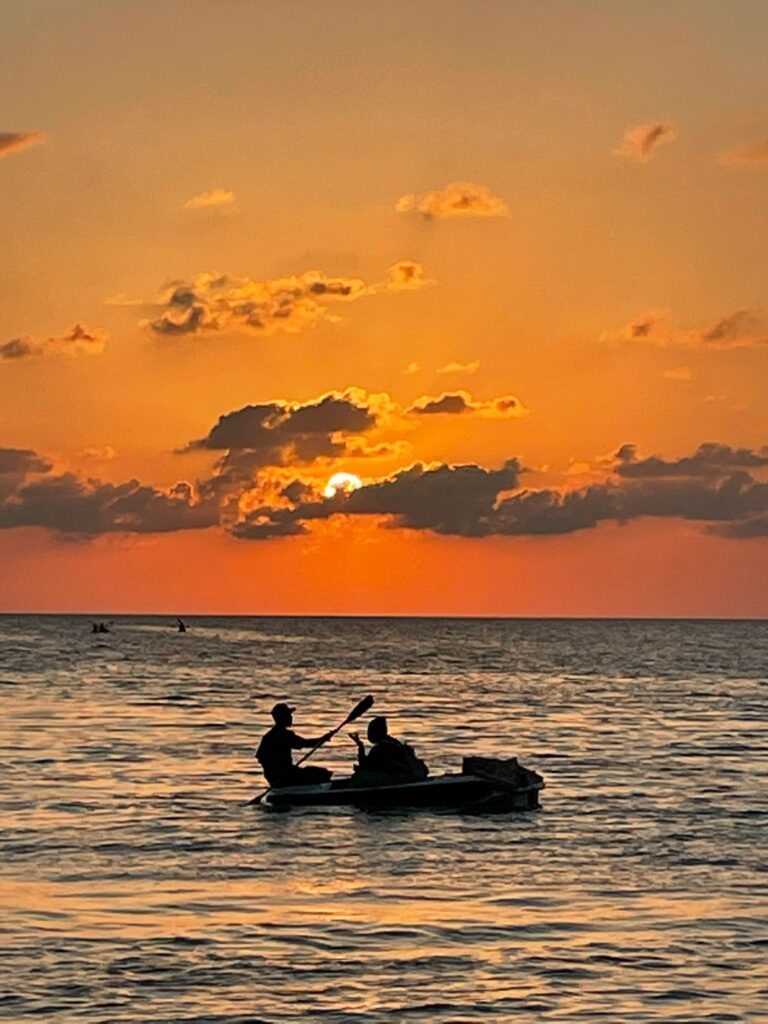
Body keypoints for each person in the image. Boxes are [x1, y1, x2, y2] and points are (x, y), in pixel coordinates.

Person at [256, 703, 334, 788]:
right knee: (323, 774)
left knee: (315, 772)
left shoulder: (269, 736)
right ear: (283, 717)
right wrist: (323, 738)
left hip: (278, 777)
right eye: (288, 715)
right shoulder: (283, 735)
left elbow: (260, 758)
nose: (291, 717)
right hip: (284, 778)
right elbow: (306, 743)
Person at [349, 716, 428, 784]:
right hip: (413, 775)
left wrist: (360, 746)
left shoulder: (380, 749)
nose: (368, 735)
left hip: (404, 778)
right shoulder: (393, 742)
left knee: (361, 777)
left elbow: (365, 766)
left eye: (370, 731)